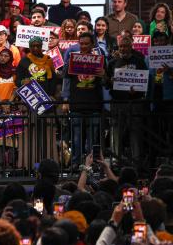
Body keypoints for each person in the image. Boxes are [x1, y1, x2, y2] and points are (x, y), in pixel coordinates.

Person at [62, 32, 106, 167]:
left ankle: (89, 166)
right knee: (76, 139)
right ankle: (75, 166)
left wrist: (104, 75)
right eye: (81, 43)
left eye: (87, 43)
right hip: (77, 104)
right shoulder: (72, 59)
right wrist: (65, 99)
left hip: (94, 105)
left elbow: (106, 83)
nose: (84, 46)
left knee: (92, 140)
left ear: (93, 44)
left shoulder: (100, 59)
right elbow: (66, 79)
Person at [107, 35, 148, 164]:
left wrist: (138, 89)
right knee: (116, 132)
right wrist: (109, 80)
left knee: (135, 132)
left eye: (126, 46)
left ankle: (136, 161)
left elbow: (145, 81)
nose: (123, 49)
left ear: (131, 47)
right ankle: (116, 160)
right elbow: (106, 84)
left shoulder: (139, 61)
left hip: (135, 102)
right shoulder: (112, 62)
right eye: (121, 46)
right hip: (117, 102)